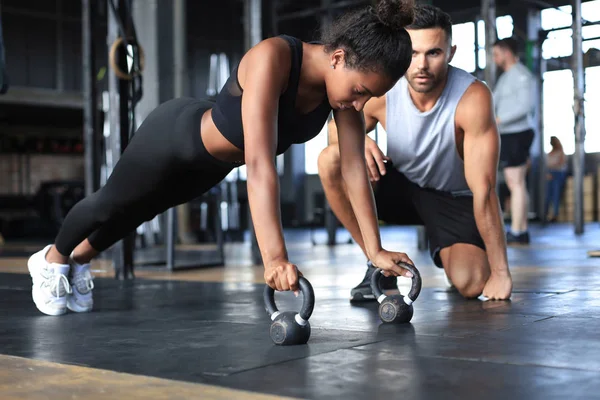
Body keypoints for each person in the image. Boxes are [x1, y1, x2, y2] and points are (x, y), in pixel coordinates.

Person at [27, 0, 418, 316]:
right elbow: (261, 162)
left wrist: (375, 251)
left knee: (139, 211)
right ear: (337, 58)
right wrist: (275, 258)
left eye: (370, 97)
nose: (360, 103)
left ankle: (80, 260)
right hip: (173, 138)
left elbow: (352, 169)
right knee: (110, 203)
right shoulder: (274, 57)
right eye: (361, 90)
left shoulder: (343, 97)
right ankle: (52, 259)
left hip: (212, 165)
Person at [318, 4, 512, 301]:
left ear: (451, 52)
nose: (421, 65)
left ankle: (449, 248)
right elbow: (336, 128)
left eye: (433, 53)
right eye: (412, 54)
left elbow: (484, 190)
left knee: (471, 283)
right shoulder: (382, 89)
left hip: (452, 198)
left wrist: (500, 273)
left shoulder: (472, 97)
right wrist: (359, 142)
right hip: (402, 186)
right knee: (332, 159)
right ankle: (375, 265)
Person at [492, 37, 536, 244]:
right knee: (516, 183)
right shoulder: (506, 77)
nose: (495, 58)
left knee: (515, 183)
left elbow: (524, 107)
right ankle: (521, 229)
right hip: (509, 134)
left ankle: (518, 231)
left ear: (507, 52)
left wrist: (498, 119)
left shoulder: (521, 76)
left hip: (517, 133)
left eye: (497, 54)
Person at [544, 136, 568, 221]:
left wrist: (552, 167)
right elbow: (547, 166)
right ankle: (545, 214)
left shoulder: (560, 152)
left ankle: (555, 215)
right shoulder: (549, 153)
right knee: (547, 195)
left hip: (558, 174)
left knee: (555, 194)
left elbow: (561, 163)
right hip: (550, 174)